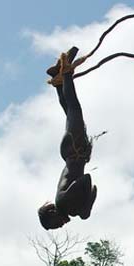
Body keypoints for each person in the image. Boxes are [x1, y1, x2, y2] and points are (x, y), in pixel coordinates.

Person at [38, 47, 97, 230]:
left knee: (74, 109)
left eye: (56, 225)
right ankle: (58, 81)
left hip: (75, 150)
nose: (61, 226)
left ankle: (66, 73)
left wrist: (84, 208)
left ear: (53, 214)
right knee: (69, 112)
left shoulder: (64, 202)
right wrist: (83, 209)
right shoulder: (67, 205)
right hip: (73, 152)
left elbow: (86, 180)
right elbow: (87, 184)